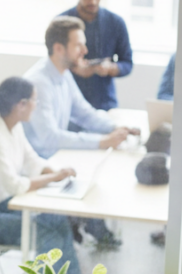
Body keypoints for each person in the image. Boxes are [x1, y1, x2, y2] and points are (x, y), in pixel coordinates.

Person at [24, 17, 138, 248]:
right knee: (92, 169)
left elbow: (84, 112)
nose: (85, 50)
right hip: (41, 163)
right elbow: (50, 138)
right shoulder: (39, 83)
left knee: (101, 168)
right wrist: (102, 141)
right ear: (59, 48)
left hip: (57, 155)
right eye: (78, 45)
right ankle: (84, 231)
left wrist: (116, 128)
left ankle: (88, 229)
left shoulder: (63, 73)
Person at [0, 76, 81, 274]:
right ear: (21, 105)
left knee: (56, 221)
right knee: (46, 231)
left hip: (1, 205)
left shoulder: (13, 127)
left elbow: (31, 160)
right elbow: (14, 186)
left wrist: (56, 172)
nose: (36, 106)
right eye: (34, 100)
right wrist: (52, 178)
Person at [59, 0, 133, 111]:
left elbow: (128, 63)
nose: (92, 1)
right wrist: (74, 68)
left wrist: (111, 68)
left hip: (104, 103)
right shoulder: (62, 23)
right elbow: (54, 62)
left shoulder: (116, 23)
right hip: (68, 104)